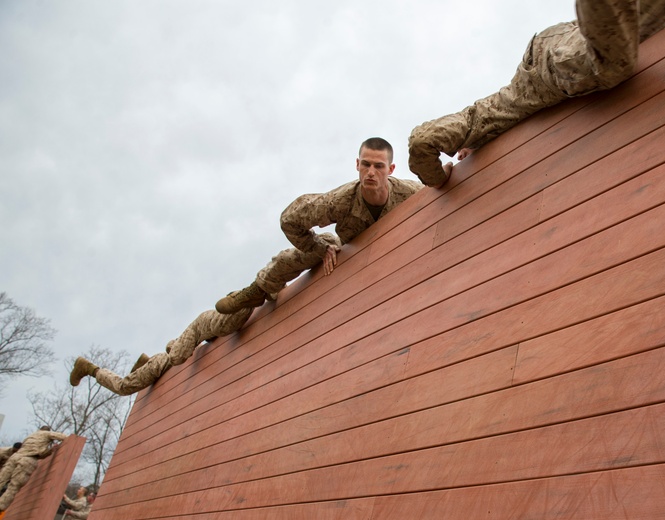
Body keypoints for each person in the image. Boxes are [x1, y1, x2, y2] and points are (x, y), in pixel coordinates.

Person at [407, 0, 665, 187]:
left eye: (460, 154)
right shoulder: (487, 120)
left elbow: (422, 140)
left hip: (546, 70)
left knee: (609, 66)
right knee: (640, 24)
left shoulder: (482, 116)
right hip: (557, 44)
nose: (461, 158)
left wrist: (439, 180)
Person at [215, 137, 423, 313]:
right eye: (365, 164)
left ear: (391, 169)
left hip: (393, 247)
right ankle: (257, 290)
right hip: (350, 250)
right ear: (357, 165)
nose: (370, 172)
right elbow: (289, 219)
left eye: (378, 166)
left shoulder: (410, 192)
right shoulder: (340, 201)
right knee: (312, 248)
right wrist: (320, 248)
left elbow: (440, 189)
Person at [69, 305, 254, 396]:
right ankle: (91, 369)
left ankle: (142, 364)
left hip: (162, 359)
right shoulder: (207, 325)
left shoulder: (212, 327)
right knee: (123, 387)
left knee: (173, 356)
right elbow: (174, 348)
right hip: (160, 363)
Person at [0, 427, 71, 511]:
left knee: (1, 479)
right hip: (28, 459)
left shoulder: (30, 436)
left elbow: (39, 452)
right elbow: (65, 437)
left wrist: (49, 451)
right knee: (14, 486)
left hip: (14, 457)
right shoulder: (47, 434)